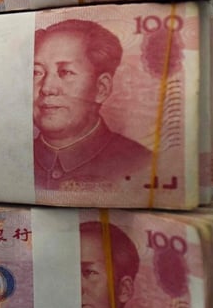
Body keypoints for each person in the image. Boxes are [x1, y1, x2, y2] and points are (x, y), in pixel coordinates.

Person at [32, 18, 152, 189]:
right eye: (37, 72)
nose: (47, 88)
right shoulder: (10, 159)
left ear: (101, 88)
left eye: (65, 72)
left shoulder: (142, 164)